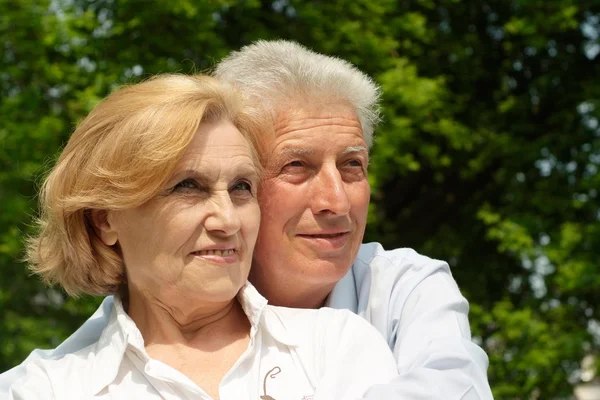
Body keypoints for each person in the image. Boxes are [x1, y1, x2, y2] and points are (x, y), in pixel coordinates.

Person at [1, 40, 494, 399]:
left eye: (240, 187)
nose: (337, 203)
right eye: (187, 186)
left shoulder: (354, 330)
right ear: (104, 219)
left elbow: (454, 384)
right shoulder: (53, 382)